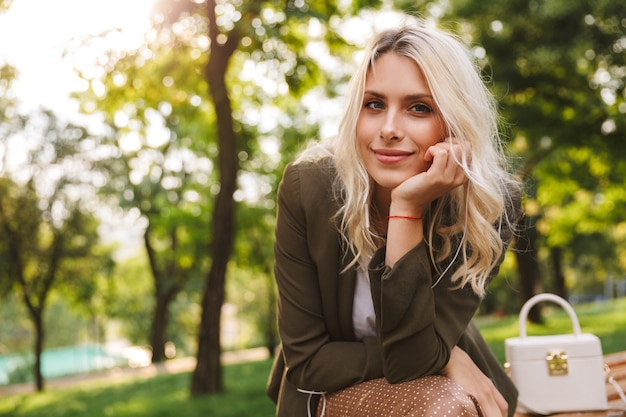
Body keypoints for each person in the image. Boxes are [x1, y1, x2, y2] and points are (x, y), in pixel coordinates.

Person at [266, 16, 523, 417]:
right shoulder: (309, 188)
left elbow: (414, 360)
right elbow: (309, 362)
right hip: (328, 391)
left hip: (440, 396)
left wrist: (406, 210)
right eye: (374, 104)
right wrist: (447, 357)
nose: (388, 128)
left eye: (418, 108)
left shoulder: (491, 204)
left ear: (455, 125)